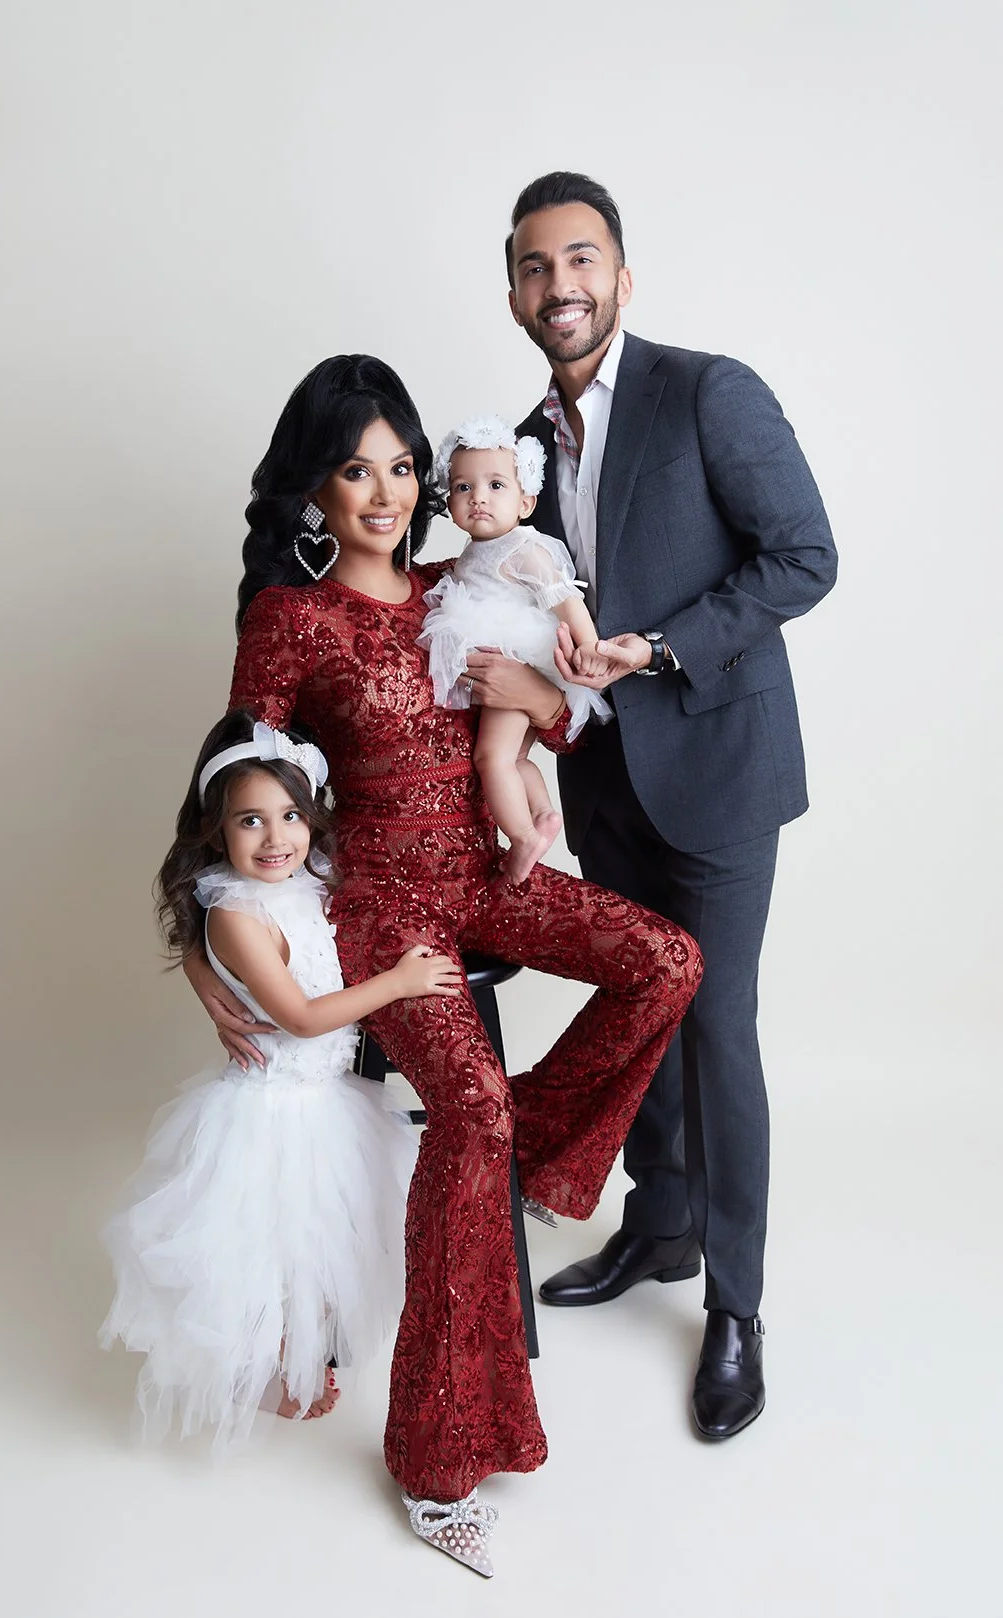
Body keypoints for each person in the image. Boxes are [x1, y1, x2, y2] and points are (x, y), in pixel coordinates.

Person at [182, 353, 703, 1576]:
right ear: (314, 490)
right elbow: (234, 788)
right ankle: (435, 1460)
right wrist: (206, 948)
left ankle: (530, 1149)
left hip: (487, 871)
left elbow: (559, 711)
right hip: (380, 905)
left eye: (401, 467)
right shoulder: (290, 621)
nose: (384, 492)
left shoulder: (459, 580)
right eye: (354, 471)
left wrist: (540, 699)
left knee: (666, 959)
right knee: (467, 1115)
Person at [505, 171, 838, 1439]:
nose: (560, 285)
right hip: (603, 776)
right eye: (535, 267)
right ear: (515, 293)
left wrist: (658, 647)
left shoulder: (706, 391)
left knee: (716, 1026)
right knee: (639, 1001)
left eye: (579, 259)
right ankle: (659, 1226)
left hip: (717, 764)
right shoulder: (519, 442)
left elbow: (802, 555)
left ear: (621, 276)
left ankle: (735, 1306)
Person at [100, 709, 461, 1443]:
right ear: (216, 832)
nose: (275, 838)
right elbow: (298, 1017)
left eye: (291, 816)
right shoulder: (235, 914)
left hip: (325, 1100)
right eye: (250, 822)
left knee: (321, 1242)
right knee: (270, 1248)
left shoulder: (307, 879)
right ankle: (265, 1371)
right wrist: (399, 983)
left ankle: (305, 1352)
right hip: (271, 1110)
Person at [418, 414, 611, 882]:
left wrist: (590, 649)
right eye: (463, 487)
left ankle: (522, 838)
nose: (478, 497)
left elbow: (565, 600)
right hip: (506, 666)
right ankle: (543, 813)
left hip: (520, 662)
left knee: (491, 758)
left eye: (496, 485)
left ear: (526, 501)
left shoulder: (523, 549)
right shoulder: (476, 550)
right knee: (514, 758)